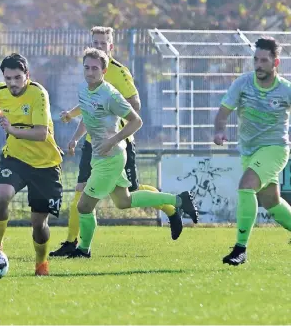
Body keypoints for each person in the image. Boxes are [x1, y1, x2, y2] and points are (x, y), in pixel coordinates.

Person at [50, 26, 196, 257]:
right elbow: (88, 113)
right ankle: (178, 200)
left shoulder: (110, 93)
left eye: (94, 68)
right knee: (124, 201)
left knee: (84, 205)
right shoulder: (84, 89)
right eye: (86, 68)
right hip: (99, 154)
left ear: (104, 69)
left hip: (111, 155)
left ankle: (83, 249)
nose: (89, 72)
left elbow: (136, 120)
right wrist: (74, 134)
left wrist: (113, 139)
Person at [0, 53, 63, 276]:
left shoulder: (38, 94)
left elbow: (42, 133)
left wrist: (12, 130)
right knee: (2, 195)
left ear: (27, 76)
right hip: (14, 158)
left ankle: (41, 263)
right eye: (8, 78)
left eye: (17, 77)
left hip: (45, 165)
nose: (12, 83)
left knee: (38, 225)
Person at [214, 36, 291, 265]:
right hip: (249, 151)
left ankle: (240, 249)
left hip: (275, 149)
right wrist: (219, 132)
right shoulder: (243, 83)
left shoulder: (285, 90)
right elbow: (223, 113)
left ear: (275, 63)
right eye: (255, 60)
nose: (258, 65)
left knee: (246, 185)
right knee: (271, 201)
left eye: (264, 60)